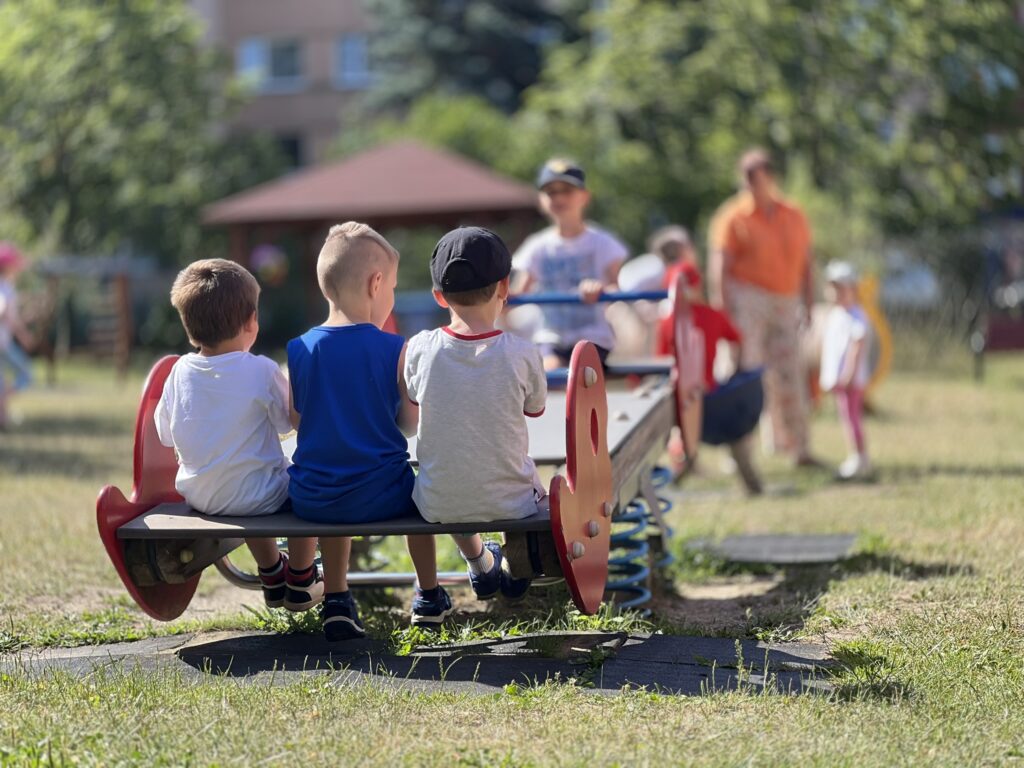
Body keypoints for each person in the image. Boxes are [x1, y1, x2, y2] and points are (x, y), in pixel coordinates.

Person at [287, 222, 432, 642]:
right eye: (393, 289)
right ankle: (430, 594)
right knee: (424, 489)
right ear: (376, 283)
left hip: (313, 498)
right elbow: (409, 422)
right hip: (382, 495)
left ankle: (336, 599)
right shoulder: (393, 347)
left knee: (336, 469)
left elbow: (299, 421)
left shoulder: (299, 348)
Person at [154, 259, 322, 613]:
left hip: (201, 495)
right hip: (256, 495)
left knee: (244, 477)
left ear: (188, 327)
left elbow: (165, 433)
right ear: (251, 322)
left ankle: (272, 572)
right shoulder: (261, 369)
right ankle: (303, 575)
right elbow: (288, 425)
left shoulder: (178, 371)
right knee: (309, 484)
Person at [404, 227, 545, 625]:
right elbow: (534, 408)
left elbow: (414, 398)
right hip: (513, 504)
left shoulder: (420, 347)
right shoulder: (522, 352)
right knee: (532, 482)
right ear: (505, 287)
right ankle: (517, 568)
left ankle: (480, 562)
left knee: (452, 475)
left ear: (437, 296)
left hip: (438, 502)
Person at [708, 148, 822, 468]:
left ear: (770, 177)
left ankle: (798, 448)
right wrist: (724, 311)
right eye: (744, 173)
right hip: (748, 299)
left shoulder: (793, 214)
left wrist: (809, 302)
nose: (748, 181)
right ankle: (737, 452)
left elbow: (806, 263)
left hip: (785, 300)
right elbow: (721, 266)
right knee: (745, 374)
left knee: (790, 374)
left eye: (755, 173)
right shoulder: (733, 216)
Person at [653, 253, 763, 494]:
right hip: (694, 393)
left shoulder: (687, 318)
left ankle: (751, 485)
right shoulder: (674, 321)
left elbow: (661, 360)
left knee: (707, 437)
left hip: (697, 393)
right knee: (696, 441)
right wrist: (737, 366)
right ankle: (673, 481)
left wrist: (737, 368)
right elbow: (737, 340)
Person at [512, 159, 628, 370]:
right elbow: (519, 293)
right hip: (551, 334)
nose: (559, 197)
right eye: (551, 192)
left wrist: (600, 291)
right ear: (541, 199)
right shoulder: (536, 247)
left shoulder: (602, 243)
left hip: (593, 335)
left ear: (584, 196)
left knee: (581, 371)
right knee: (547, 371)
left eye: (566, 190)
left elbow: (615, 289)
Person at [820, 262, 873, 480]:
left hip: (850, 381)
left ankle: (859, 457)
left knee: (852, 418)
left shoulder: (857, 316)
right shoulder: (835, 315)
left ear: (852, 288)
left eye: (840, 288)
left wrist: (849, 374)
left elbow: (856, 346)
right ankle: (856, 456)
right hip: (840, 380)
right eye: (832, 288)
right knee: (846, 418)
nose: (836, 293)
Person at [0, 243, 35, 430]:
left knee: (1, 380)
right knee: (26, 374)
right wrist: (23, 336)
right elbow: (4, 311)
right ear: (7, 267)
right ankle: (3, 399)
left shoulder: (7, 287)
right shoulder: (5, 288)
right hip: (2, 345)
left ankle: (2, 417)